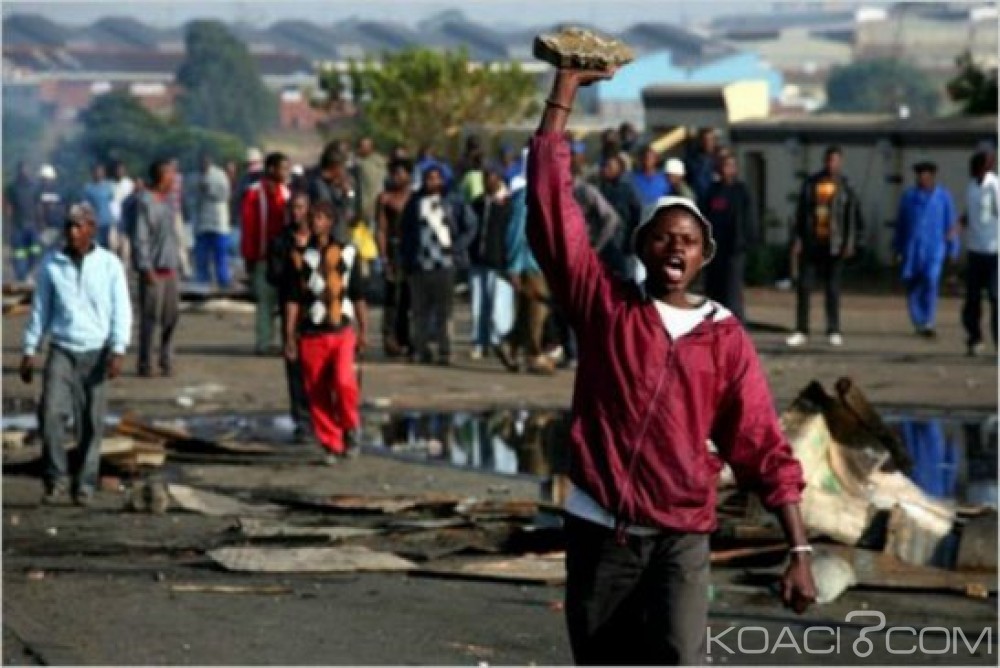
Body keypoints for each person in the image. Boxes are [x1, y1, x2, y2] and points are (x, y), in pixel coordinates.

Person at [530, 65, 815, 666]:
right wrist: (563, 96)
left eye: (688, 240)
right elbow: (553, 219)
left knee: (681, 658)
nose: (676, 248)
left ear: (703, 255)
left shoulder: (724, 338)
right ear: (640, 248)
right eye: (662, 238)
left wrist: (800, 551)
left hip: (681, 536)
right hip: (600, 530)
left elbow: (760, 441)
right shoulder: (605, 308)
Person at [22, 202, 131, 505]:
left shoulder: (109, 265)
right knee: (51, 413)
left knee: (91, 423)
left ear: (91, 228)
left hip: (97, 352)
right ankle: (55, 478)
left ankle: (84, 484)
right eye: (68, 225)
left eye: (78, 225)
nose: (71, 231)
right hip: (62, 349)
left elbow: (122, 309)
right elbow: (40, 310)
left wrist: (118, 348)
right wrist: (30, 348)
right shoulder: (52, 264)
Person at [284, 201, 367, 464]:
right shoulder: (298, 257)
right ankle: (331, 444)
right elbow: (292, 300)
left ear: (330, 221)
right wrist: (289, 336)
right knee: (317, 392)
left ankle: (351, 429)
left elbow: (358, 294)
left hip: (341, 331)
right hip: (311, 334)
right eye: (312, 216)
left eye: (321, 217)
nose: (315, 221)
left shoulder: (347, 253)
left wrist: (364, 329)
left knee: (344, 383)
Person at [786, 146, 862, 347]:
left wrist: (849, 242)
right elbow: (800, 214)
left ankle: (833, 329)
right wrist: (797, 239)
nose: (832, 164)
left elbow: (851, 218)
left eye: (836, 161)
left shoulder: (845, 187)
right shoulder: (811, 184)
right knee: (804, 287)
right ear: (824, 161)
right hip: (812, 243)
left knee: (832, 289)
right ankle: (802, 329)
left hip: (834, 244)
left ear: (840, 162)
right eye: (829, 161)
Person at [400, 165, 471, 365]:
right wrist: (404, 260)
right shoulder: (415, 202)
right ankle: (421, 349)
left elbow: (470, 225)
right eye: (429, 178)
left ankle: (445, 351)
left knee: (445, 312)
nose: (432, 182)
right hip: (420, 265)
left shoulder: (453, 201)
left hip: (445, 265)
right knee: (419, 312)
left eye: (436, 178)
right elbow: (405, 232)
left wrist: (457, 247)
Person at [495, 179, 555, 375]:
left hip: (546, 264)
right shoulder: (526, 197)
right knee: (536, 312)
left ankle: (508, 344)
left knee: (527, 311)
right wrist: (513, 267)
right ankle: (534, 356)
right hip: (531, 263)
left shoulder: (553, 194)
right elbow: (516, 231)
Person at [893, 161, 959, 338]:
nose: (923, 178)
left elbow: (950, 224)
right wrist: (897, 248)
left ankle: (929, 320)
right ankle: (918, 321)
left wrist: (953, 250)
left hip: (935, 248)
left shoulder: (943, 197)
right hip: (913, 250)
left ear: (932, 177)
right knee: (913, 286)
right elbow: (901, 225)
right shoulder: (908, 197)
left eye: (926, 175)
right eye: (920, 175)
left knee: (931, 280)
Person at [268, 191, 314, 443]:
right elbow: (273, 276)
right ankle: (303, 421)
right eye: (292, 208)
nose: (297, 213)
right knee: (295, 366)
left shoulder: (322, 241)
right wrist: (292, 265)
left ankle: (323, 418)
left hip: (320, 314)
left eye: (301, 208)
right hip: (292, 310)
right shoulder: (280, 242)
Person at [132, 159, 182, 377]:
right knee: (149, 319)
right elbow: (140, 238)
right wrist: (146, 268)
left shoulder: (169, 200)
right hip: (153, 270)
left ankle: (166, 359)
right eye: (170, 174)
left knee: (171, 317)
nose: (174, 178)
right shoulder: (145, 202)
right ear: (161, 177)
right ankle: (145, 363)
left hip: (170, 268)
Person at [242, 152, 291, 355]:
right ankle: (264, 342)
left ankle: (285, 341)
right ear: (271, 169)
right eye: (283, 168)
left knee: (286, 301)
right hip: (263, 257)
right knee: (265, 302)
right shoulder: (254, 194)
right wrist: (250, 257)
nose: (286, 172)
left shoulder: (286, 193)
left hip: (284, 257)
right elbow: (249, 228)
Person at [702, 153, 758, 322]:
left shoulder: (741, 191)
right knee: (713, 290)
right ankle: (714, 327)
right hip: (713, 249)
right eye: (723, 165)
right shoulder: (711, 190)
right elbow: (703, 216)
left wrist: (748, 241)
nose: (726, 169)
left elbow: (750, 218)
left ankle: (735, 327)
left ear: (735, 169)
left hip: (734, 249)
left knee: (732, 291)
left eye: (730, 165)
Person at [468, 165, 514, 359]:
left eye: (491, 177)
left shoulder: (508, 203)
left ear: (499, 179)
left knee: (498, 307)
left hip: (499, 262)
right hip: (478, 260)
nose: (488, 181)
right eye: (485, 178)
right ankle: (480, 342)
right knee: (478, 306)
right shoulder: (478, 202)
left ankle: (498, 342)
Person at [961, 151, 999, 356]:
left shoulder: (995, 186)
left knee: (995, 297)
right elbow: (969, 213)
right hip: (975, 250)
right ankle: (974, 337)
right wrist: (958, 225)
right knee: (972, 299)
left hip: (994, 251)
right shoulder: (971, 187)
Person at [376, 159, 415, 357]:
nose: (397, 177)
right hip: (394, 249)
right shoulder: (385, 199)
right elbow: (381, 230)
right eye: (394, 173)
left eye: (401, 173)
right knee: (392, 296)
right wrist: (383, 257)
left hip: (412, 252)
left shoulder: (415, 198)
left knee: (409, 297)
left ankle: (407, 338)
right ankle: (389, 338)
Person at [193, 152, 232, 289]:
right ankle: (202, 286)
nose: (203, 165)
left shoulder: (220, 175)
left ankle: (224, 284)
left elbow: (225, 194)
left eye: (205, 162)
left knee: (220, 257)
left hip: (218, 224)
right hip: (202, 224)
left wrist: (209, 190)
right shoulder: (196, 177)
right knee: (201, 258)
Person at [5, 162, 42, 282]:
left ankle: (31, 274)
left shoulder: (34, 187)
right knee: (19, 254)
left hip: (33, 226)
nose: (24, 172)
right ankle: (22, 278)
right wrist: (8, 226)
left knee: (35, 251)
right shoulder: (12, 188)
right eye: (22, 169)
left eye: (26, 169)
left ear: (29, 171)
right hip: (18, 226)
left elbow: (38, 206)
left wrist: (40, 222)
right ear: (18, 171)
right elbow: (8, 207)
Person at [354, 136, 387, 232]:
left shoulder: (365, 164)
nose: (359, 149)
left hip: (373, 208)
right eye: (359, 146)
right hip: (367, 209)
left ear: (371, 147)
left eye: (362, 146)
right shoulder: (378, 162)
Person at [82, 164, 116, 249]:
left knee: (108, 246)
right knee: (96, 246)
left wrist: (115, 220)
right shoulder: (88, 188)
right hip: (95, 223)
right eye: (96, 172)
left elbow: (113, 204)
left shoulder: (109, 186)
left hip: (108, 222)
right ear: (92, 173)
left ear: (104, 173)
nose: (99, 174)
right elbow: (85, 206)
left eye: (101, 172)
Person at [109, 160, 134, 266]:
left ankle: (125, 270)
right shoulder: (109, 185)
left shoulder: (129, 184)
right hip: (113, 219)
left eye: (121, 170)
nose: (119, 172)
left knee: (125, 247)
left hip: (126, 219)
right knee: (112, 245)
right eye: (117, 170)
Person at [685, 127, 718, 202]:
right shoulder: (693, 160)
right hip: (698, 199)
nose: (708, 143)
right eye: (705, 140)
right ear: (701, 141)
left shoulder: (719, 158)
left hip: (716, 200)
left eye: (711, 140)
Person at [36, 164, 64, 251]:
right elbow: (37, 209)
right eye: (44, 179)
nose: (46, 181)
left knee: (59, 251)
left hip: (58, 226)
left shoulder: (59, 191)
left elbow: (63, 207)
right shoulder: (38, 192)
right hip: (46, 228)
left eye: (47, 179)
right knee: (46, 250)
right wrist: (41, 224)